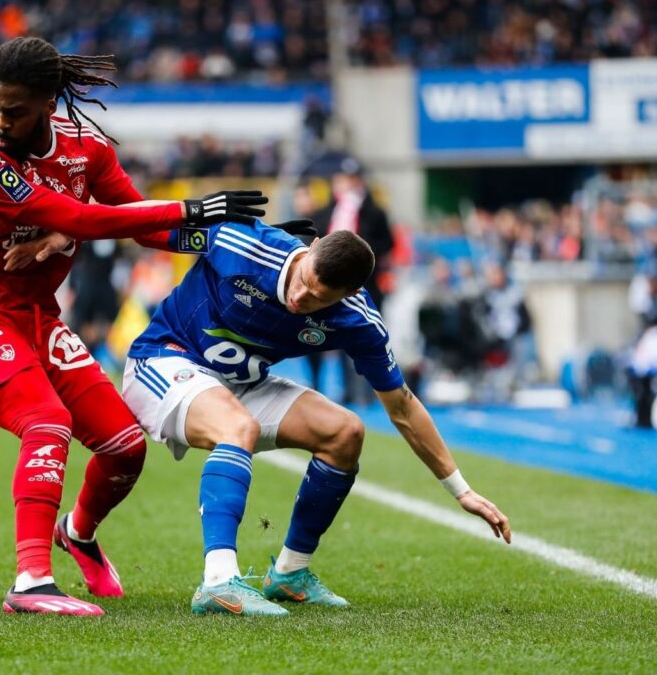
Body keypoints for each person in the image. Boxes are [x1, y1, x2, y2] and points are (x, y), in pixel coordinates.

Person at [0, 36, 267, 617]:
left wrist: (251, 242)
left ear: (50, 101)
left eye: (14, 110)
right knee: (47, 422)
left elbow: (141, 227)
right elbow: (76, 216)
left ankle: (77, 532)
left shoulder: (88, 149)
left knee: (126, 446)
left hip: (35, 317)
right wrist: (187, 207)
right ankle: (31, 580)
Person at [120, 221, 511, 616]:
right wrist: (69, 226)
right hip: (164, 359)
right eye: (302, 280)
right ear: (315, 245)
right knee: (238, 427)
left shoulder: (358, 321)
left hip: (238, 382)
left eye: (315, 299)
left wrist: (460, 489)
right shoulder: (244, 243)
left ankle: (290, 573)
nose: (298, 298)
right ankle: (218, 582)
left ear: (350, 294)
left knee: (344, 432)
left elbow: (403, 407)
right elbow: (145, 228)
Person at [306, 157, 394, 404]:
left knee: (365, 337)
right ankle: (328, 387)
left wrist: (360, 255)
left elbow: (387, 243)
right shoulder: (326, 211)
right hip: (330, 284)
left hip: (365, 284)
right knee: (326, 333)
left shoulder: (374, 212)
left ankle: (370, 390)